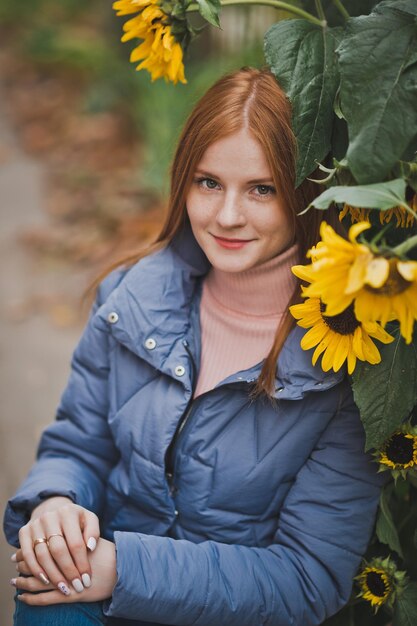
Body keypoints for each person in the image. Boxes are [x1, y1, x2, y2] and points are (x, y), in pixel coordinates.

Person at [4, 66, 383, 626]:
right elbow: (78, 446)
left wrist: (124, 571)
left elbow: (309, 577)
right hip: (104, 583)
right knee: (44, 603)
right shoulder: (131, 298)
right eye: (208, 182)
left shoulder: (350, 356)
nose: (227, 216)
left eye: (262, 189)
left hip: (230, 612)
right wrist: (56, 504)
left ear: (307, 194)